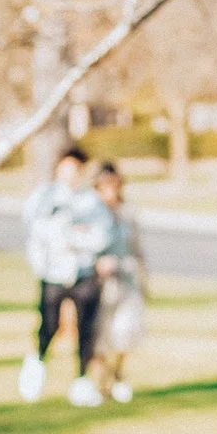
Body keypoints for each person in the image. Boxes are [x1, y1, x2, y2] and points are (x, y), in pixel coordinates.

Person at [18, 145, 114, 407]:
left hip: (83, 274)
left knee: (86, 328)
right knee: (49, 324)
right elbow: (38, 231)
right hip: (53, 273)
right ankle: (37, 363)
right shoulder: (44, 198)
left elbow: (102, 236)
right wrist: (66, 235)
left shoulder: (91, 202)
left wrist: (76, 238)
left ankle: (82, 380)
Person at [89, 163, 148, 404]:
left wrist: (143, 278)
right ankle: (101, 380)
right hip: (99, 282)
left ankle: (119, 374)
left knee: (125, 331)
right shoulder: (91, 213)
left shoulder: (128, 214)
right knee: (99, 335)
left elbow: (137, 248)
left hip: (125, 279)